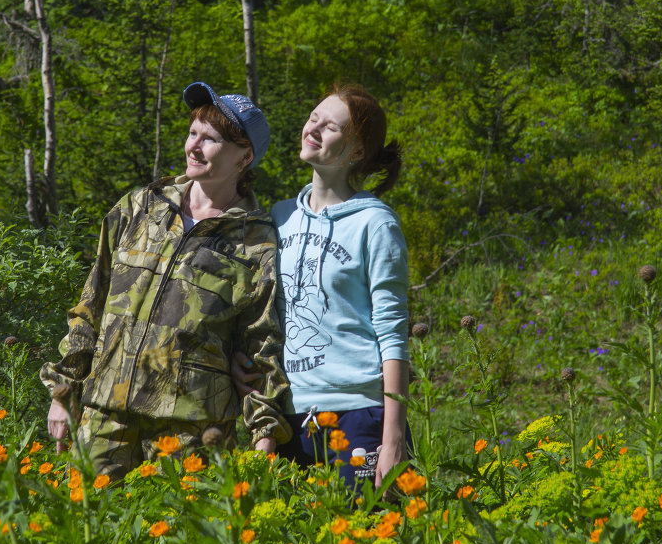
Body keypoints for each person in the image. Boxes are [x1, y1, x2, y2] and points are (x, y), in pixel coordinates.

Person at [42, 82, 291, 478]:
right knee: (86, 529)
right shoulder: (140, 206)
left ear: (244, 157)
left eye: (211, 140)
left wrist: (264, 432)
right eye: (193, 132)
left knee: (174, 537)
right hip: (103, 414)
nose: (194, 146)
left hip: (190, 431)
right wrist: (63, 391)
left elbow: (262, 344)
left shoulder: (255, 240)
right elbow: (92, 302)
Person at [237, 83, 410, 490]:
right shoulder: (278, 219)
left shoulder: (376, 224)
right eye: (313, 118)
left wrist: (393, 439)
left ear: (357, 153)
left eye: (330, 127)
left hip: (360, 417)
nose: (313, 129)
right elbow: (257, 312)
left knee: (365, 543)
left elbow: (393, 335)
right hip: (286, 418)